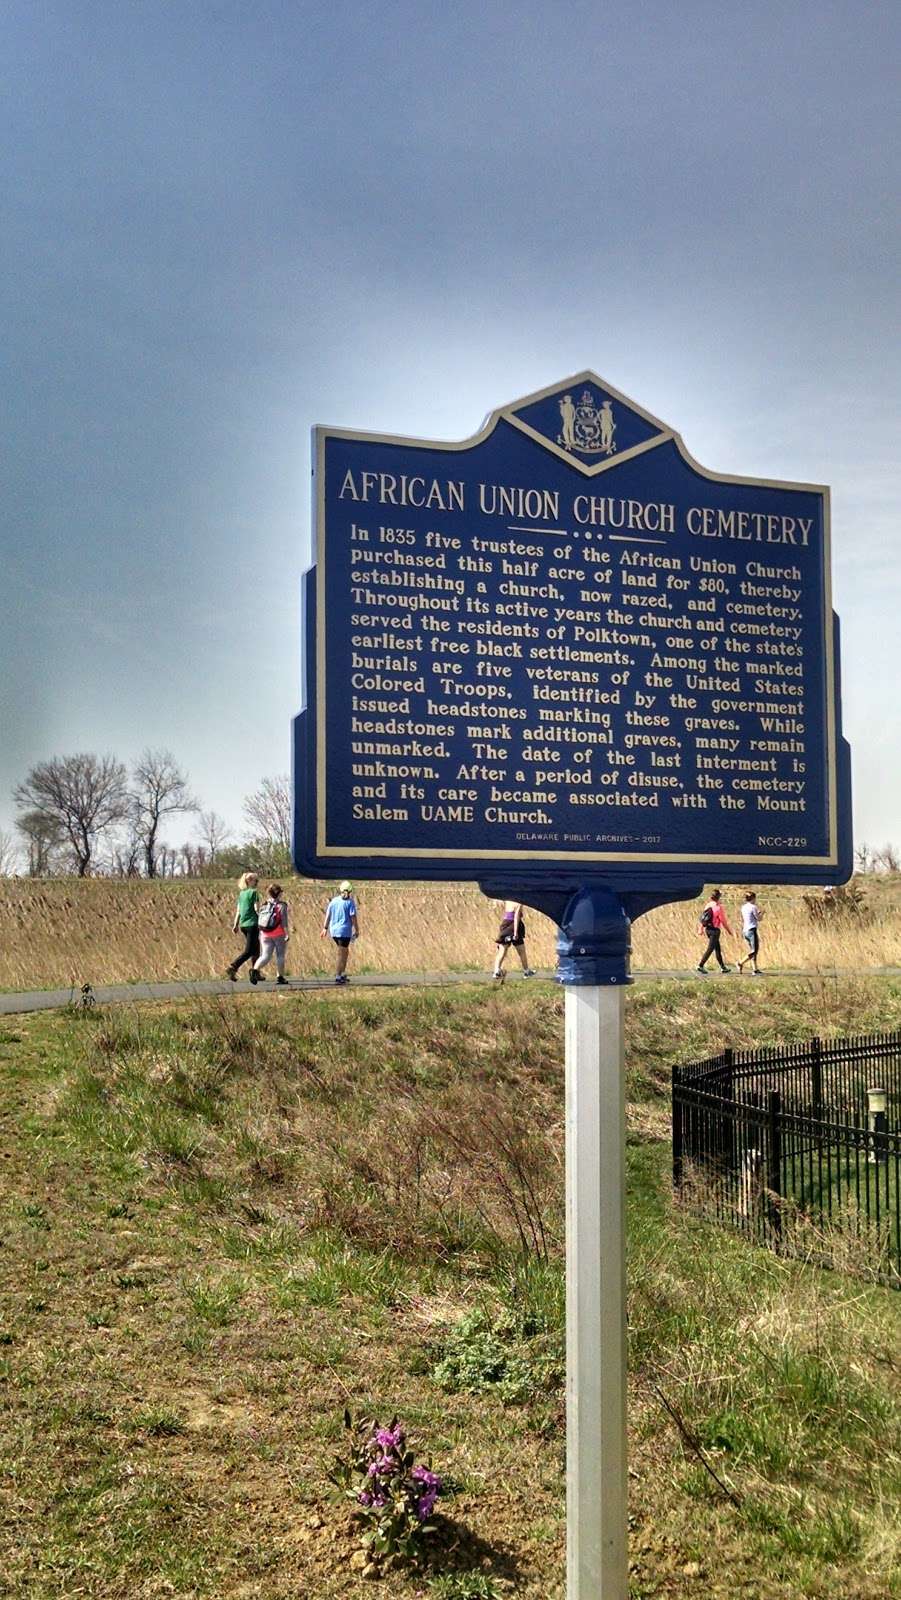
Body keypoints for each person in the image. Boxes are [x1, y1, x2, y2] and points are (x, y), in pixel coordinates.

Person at [226, 871, 264, 983]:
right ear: (249, 881)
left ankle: (256, 972)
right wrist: (263, 920)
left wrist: (235, 924)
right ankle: (233, 967)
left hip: (243, 924)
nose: (257, 882)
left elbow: (238, 911)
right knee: (249, 951)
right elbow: (257, 909)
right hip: (252, 924)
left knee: (256, 949)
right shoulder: (254, 892)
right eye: (255, 880)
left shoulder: (242, 894)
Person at [321, 880, 358, 983]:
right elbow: (353, 917)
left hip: (334, 931)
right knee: (341, 953)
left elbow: (328, 915)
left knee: (345, 952)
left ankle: (342, 973)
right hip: (344, 931)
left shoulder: (334, 901)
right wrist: (357, 930)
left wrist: (325, 928)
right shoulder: (350, 902)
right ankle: (338, 975)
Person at [254, 883, 290, 985]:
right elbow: (284, 921)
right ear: (279, 894)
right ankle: (280, 977)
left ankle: (255, 970)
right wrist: (287, 934)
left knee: (265, 955)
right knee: (280, 955)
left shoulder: (264, 904)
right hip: (278, 933)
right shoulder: (282, 905)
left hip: (264, 933)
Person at [492, 901, 535, 981]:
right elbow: (516, 917)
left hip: (505, 924)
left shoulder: (508, 900)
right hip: (514, 926)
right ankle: (526, 971)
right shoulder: (519, 902)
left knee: (502, 950)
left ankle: (496, 970)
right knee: (521, 951)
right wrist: (515, 933)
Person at [696, 889, 734, 974]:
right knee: (710, 949)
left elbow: (704, 918)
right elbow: (723, 921)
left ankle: (723, 967)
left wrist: (701, 928)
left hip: (708, 930)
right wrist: (729, 931)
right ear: (719, 897)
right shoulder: (718, 907)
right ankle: (700, 965)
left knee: (717, 948)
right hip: (715, 930)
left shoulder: (708, 905)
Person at [737, 890, 763, 974]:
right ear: (753, 898)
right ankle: (740, 963)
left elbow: (750, 916)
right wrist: (762, 913)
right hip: (752, 930)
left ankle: (755, 969)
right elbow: (758, 919)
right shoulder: (753, 907)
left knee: (752, 949)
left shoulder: (743, 907)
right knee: (754, 950)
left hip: (745, 930)